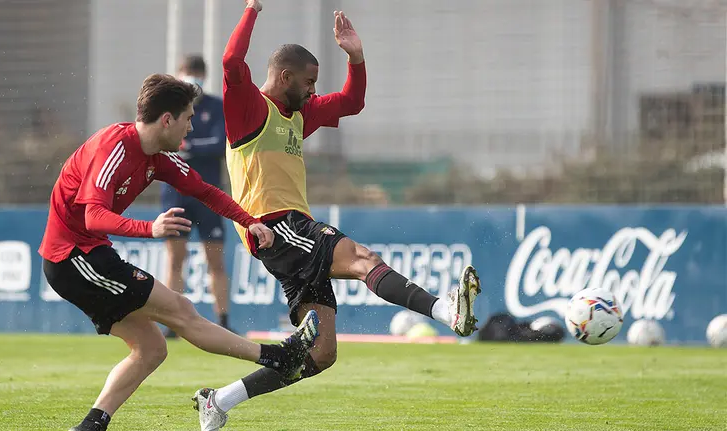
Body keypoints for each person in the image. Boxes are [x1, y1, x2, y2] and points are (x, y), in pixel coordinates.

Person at [191, 1, 482, 430]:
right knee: (363, 259)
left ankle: (218, 401)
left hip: (287, 234)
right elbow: (232, 60)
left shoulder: (299, 115)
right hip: (274, 226)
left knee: (321, 353)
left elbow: (352, 102)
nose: (314, 91)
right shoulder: (249, 108)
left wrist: (356, 57)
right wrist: (251, 8)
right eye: (308, 82)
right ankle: (447, 311)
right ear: (285, 77)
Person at [38, 73, 319, 431]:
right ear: (167, 120)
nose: (191, 128)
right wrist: (149, 228)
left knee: (152, 349)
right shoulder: (115, 147)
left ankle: (91, 426)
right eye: (188, 118)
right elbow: (93, 216)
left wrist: (250, 222)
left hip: (86, 257)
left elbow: (205, 191)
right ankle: (279, 357)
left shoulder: (157, 156)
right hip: (73, 258)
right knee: (181, 311)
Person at [160, 55, 231, 337]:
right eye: (187, 74)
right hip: (176, 194)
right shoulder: (167, 107)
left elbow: (220, 143)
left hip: (208, 193)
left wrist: (190, 146)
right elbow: (163, 142)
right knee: (175, 259)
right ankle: (172, 323)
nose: (192, 79)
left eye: (196, 74)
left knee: (216, 261)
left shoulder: (216, 107)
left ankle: (223, 321)